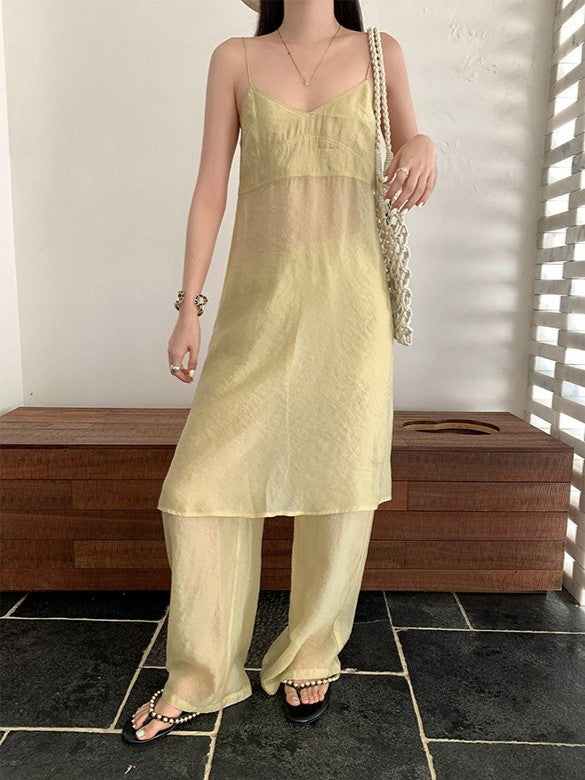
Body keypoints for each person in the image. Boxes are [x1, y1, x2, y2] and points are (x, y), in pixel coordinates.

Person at [123, 0, 436, 745]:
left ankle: (310, 654)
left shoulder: (380, 52)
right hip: (255, 307)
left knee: (341, 481)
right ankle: (200, 675)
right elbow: (211, 186)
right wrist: (189, 306)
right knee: (198, 490)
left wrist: (424, 142)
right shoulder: (234, 57)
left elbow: (409, 146)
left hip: (350, 308)